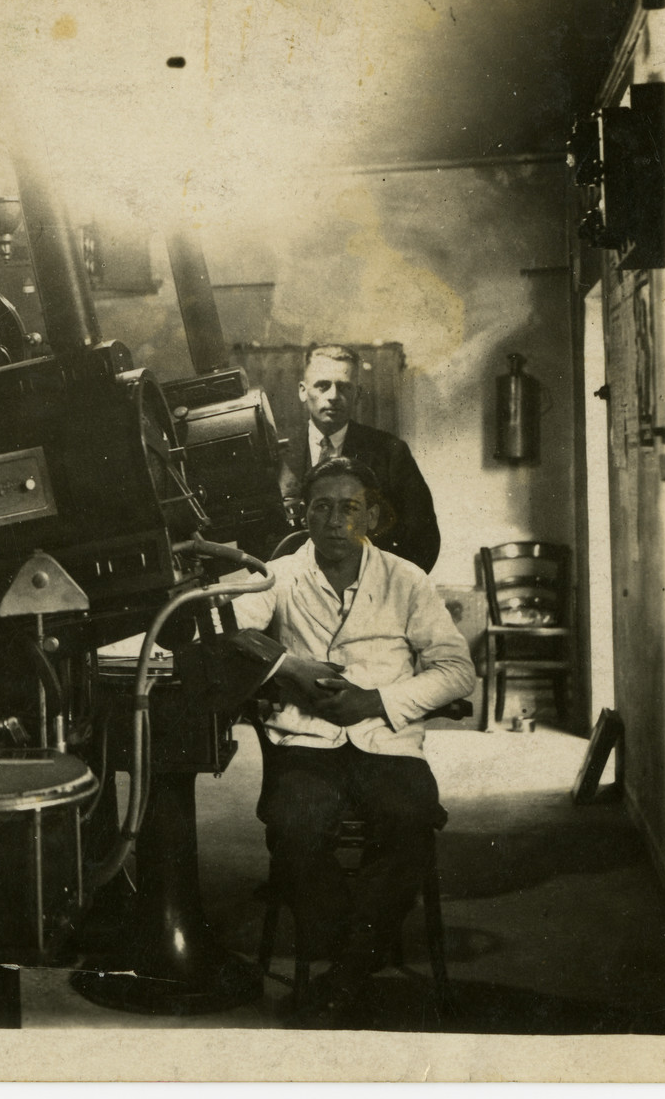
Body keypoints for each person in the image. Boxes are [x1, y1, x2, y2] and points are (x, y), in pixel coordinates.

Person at [231, 456, 474, 1026]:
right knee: (292, 827)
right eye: (321, 506)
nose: (335, 520)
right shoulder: (278, 574)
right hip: (306, 741)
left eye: (350, 507)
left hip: (384, 740)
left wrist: (377, 701)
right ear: (303, 513)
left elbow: (457, 670)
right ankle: (358, 955)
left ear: (373, 515)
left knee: (412, 821)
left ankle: (344, 971)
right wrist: (290, 666)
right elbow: (235, 631)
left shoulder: (405, 579)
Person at [279, 344, 440, 572]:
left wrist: (385, 588)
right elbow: (255, 539)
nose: (333, 396)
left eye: (344, 387)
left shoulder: (391, 452)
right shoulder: (277, 455)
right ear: (303, 391)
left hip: (371, 593)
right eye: (322, 386)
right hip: (293, 594)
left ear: (358, 394)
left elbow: (424, 538)